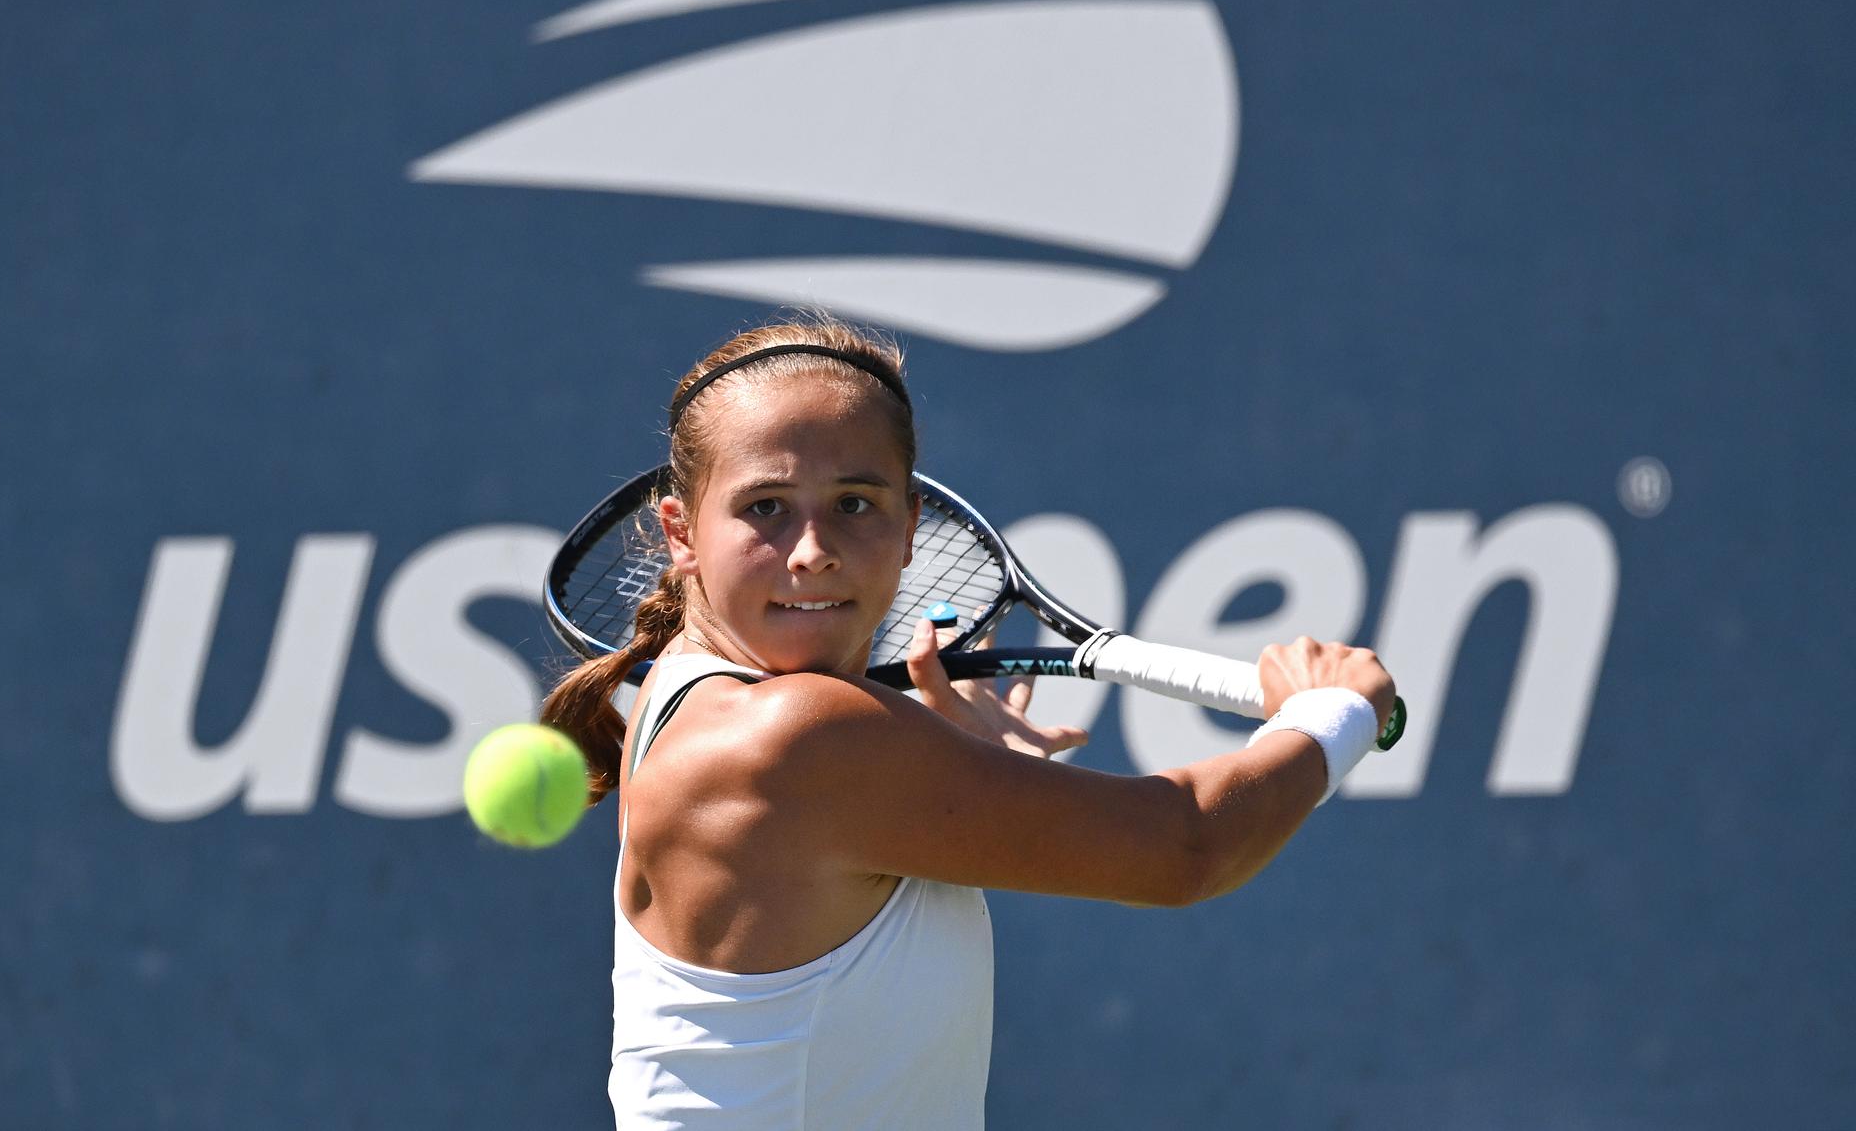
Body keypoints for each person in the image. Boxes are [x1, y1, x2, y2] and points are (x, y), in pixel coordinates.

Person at [543, 318, 1396, 1130]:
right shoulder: (795, 735)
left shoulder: (690, 700)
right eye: (766, 507)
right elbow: (1187, 847)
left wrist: (968, 770)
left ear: (911, 526)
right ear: (681, 533)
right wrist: (1332, 712)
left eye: (854, 503)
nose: (812, 549)